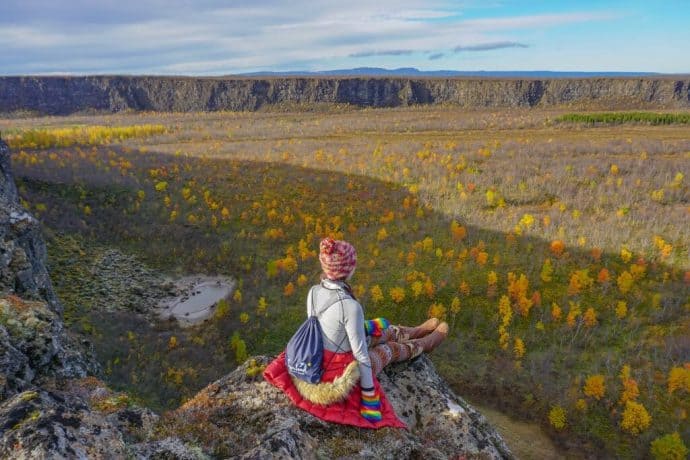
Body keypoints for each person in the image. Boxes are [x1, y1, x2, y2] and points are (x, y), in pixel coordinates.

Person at [263, 237, 449, 429]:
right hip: (336, 374)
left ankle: (414, 331)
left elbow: (328, 328)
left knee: (377, 329)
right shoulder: (350, 307)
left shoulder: (313, 291)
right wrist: (369, 395)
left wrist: (365, 328)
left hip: (317, 356)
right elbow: (360, 356)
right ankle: (423, 345)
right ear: (349, 270)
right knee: (387, 350)